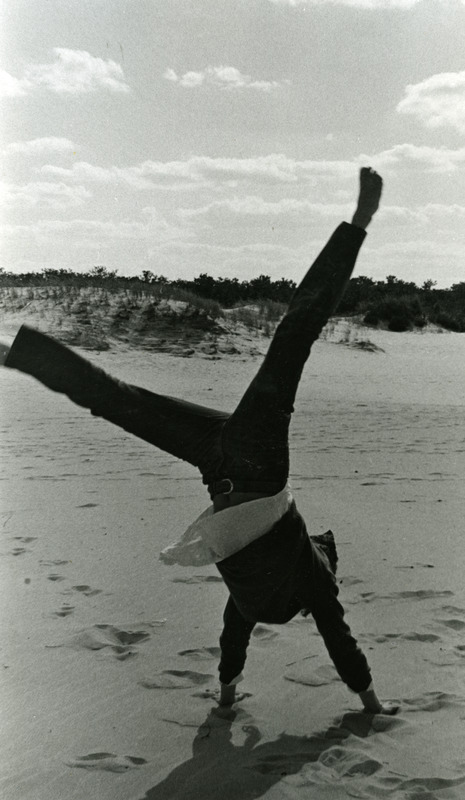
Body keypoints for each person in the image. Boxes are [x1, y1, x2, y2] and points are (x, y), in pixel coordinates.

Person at [0, 167, 398, 716]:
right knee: (120, 402)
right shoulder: (251, 601)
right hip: (226, 468)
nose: (323, 556)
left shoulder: (311, 581)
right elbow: (241, 645)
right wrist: (230, 697)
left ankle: (360, 221)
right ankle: (13, 355)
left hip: (246, 463)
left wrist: (372, 705)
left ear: (321, 565)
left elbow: (337, 641)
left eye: (325, 555)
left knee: (289, 337)